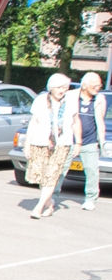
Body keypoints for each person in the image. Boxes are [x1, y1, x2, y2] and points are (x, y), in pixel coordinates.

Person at [25, 72, 76, 218]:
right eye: (59, 87)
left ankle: (39, 207)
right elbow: (33, 123)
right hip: (40, 143)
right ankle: (49, 202)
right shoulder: (41, 100)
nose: (62, 91)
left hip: (62, 144)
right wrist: (27, 145)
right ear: (51, 87)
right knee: (41, 177)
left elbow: (74, 122)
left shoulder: (70, 102)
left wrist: (77, 142)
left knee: (52, 176)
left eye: (65, 88)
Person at [61, 72, 108, 210]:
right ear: (85, 85)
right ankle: (53, 194)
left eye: (99, 85)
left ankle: (90, 199)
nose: (98, 88)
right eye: (95, 85)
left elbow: (100, 119)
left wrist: (101, 140)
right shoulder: (70, 96)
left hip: (90, 141)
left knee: (92, 170)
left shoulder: (100, 99)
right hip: (69, 140)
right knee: (61, 168)